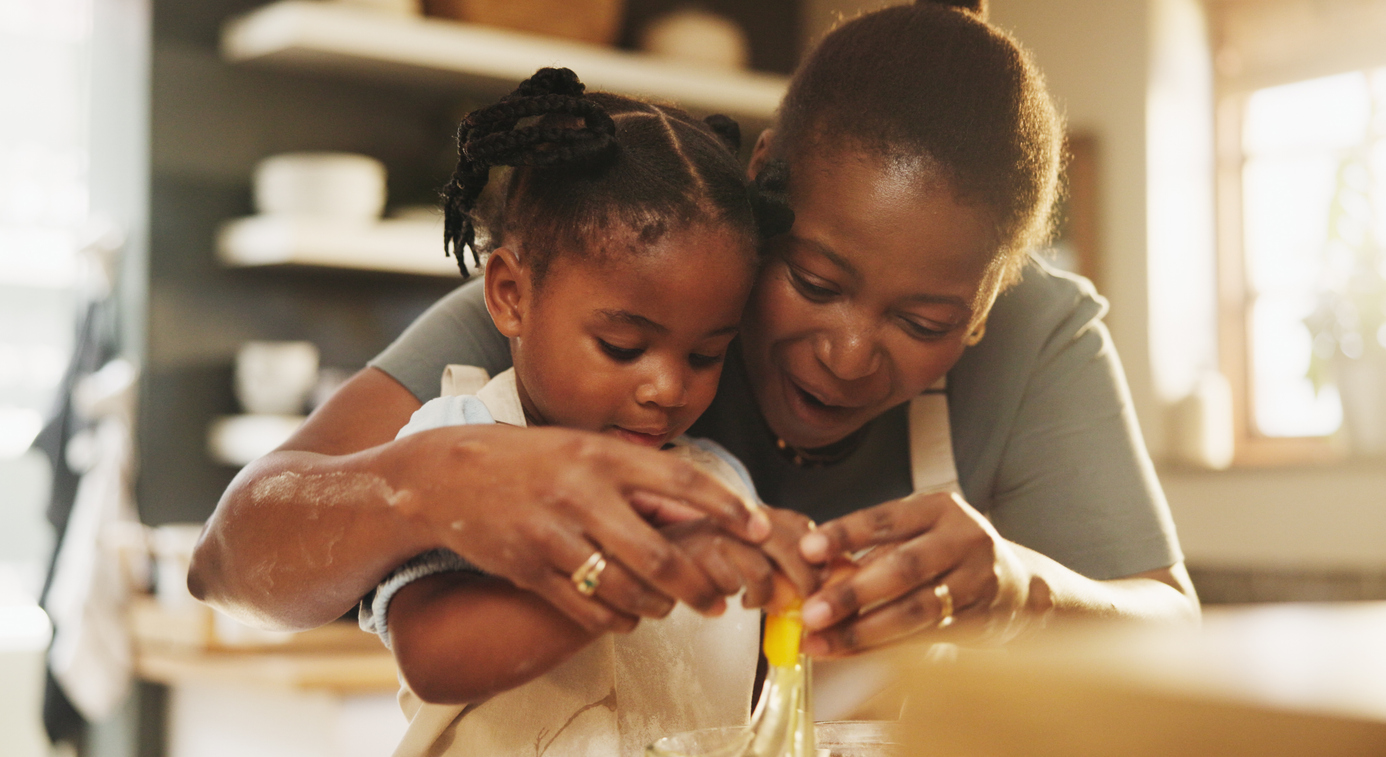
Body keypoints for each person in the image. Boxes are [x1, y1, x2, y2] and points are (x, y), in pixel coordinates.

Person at [189, 0, 1198, 666]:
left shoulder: (1040, 339)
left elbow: (1171, 631)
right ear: (765, 189)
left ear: (986, 302)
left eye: (925, 320)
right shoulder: (606, 299)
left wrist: (1019, 587)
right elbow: (229, 557)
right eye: (813, 278)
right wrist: (444, 480)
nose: (848, 353)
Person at [354, 68, 816, 757]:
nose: (666, 387)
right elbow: (435, 656)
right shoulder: (460, 445)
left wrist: (793, 581)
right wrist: (644, 573)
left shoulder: (716, 488)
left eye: (705, 355)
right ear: (510, 294)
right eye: (622, 345)